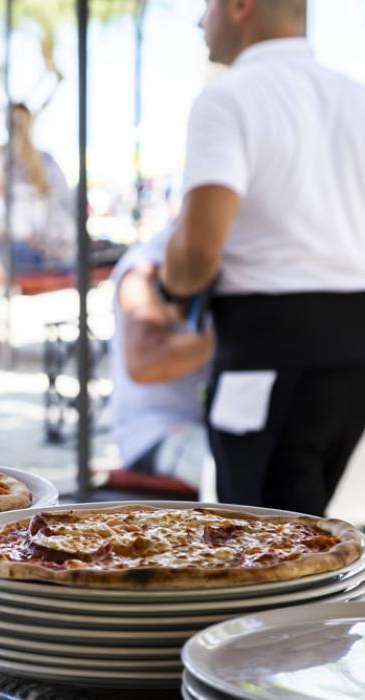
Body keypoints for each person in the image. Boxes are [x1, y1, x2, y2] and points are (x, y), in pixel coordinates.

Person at [159, 0, 365, 515]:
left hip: (267, 349)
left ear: (240, 6)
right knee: (304, 526)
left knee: (258, 542)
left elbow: (200, 251)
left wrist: (170, 279)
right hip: (354, 348)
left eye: (205, 5)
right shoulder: (355, 98)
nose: (199, 20)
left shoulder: (228, 99)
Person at [109, 227, 215, 494]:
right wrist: (235, 336)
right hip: (153, 433)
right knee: (230, 471)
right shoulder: (143, 269)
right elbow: (145, 363)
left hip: (200, 426)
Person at [0, 103, 75, 285]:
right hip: (62, 252)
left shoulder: (1, 159)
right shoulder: (47, 159)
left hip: (26, 253)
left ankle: (2, 295)